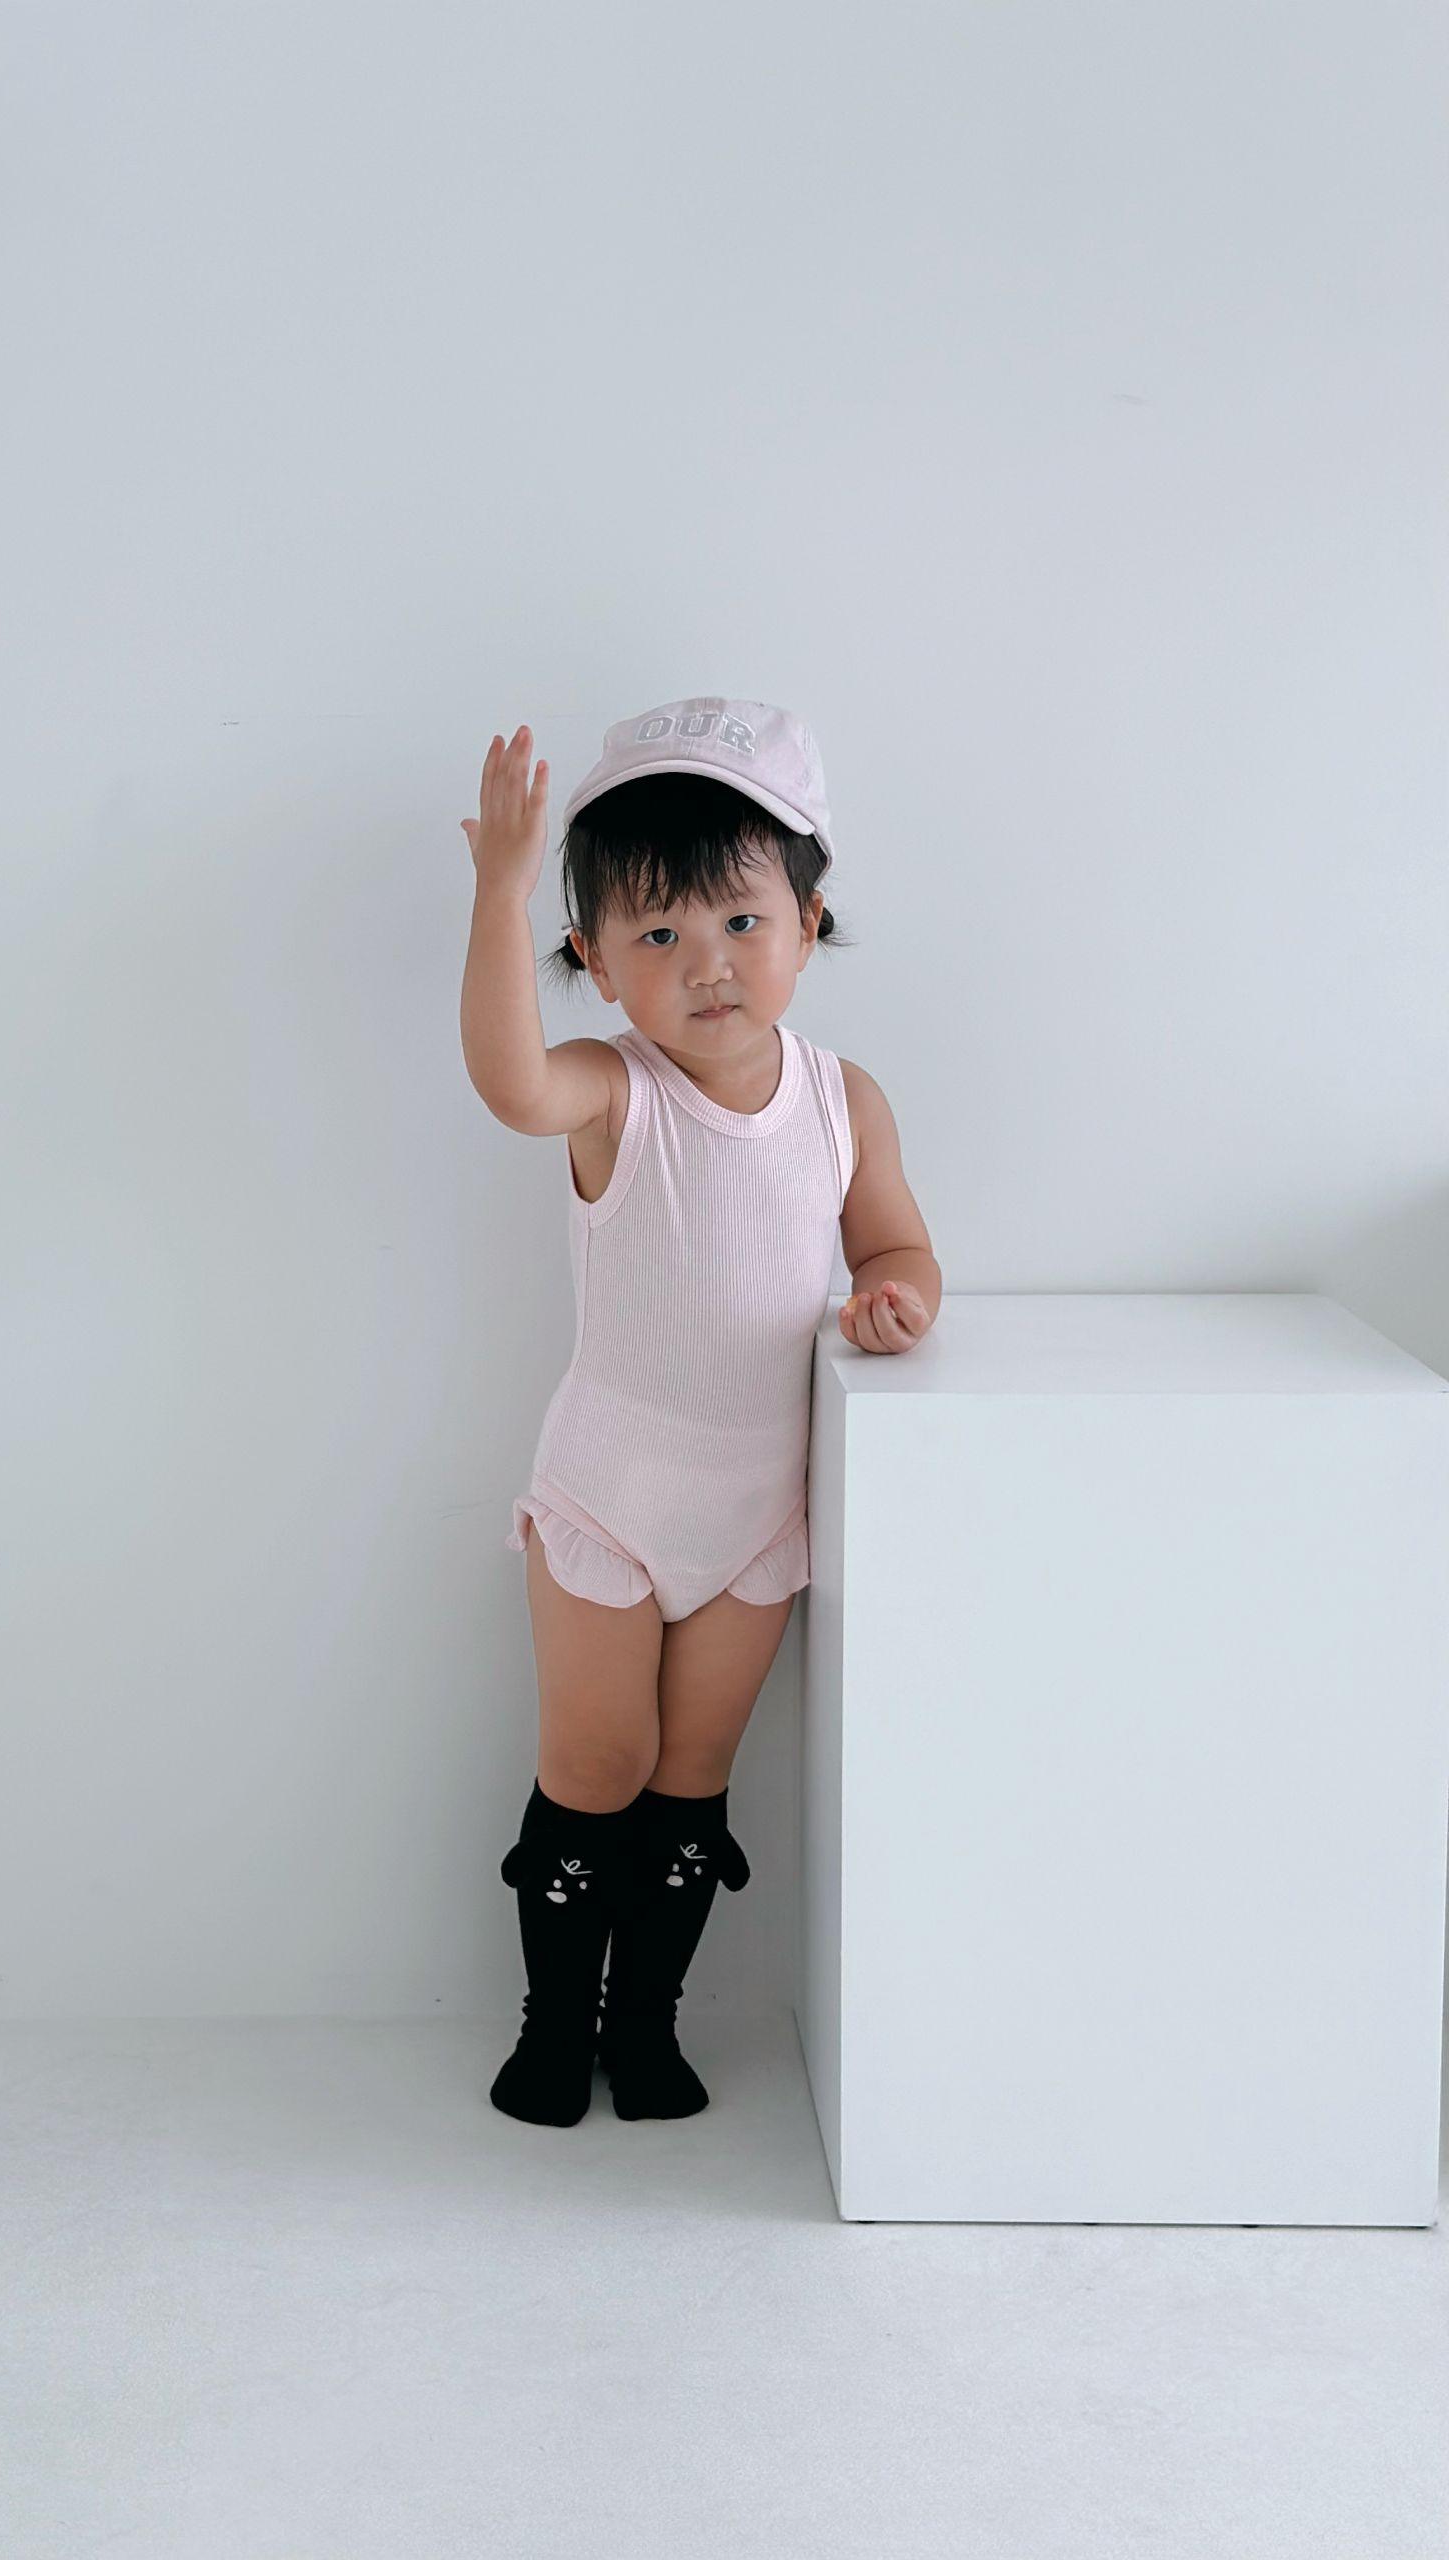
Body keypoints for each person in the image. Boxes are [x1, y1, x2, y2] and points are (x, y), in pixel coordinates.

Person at [459, 695, 942, 2128]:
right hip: (611, 1498)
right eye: (658, 935)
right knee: (597, 1764)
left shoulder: (844, 1100)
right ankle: (556, 2025)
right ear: (593, 960)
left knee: (689, 1774)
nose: (707, 963)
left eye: (739, 920)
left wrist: (896, 1300)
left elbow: (895, 1244)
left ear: (807, 921)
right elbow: (509, 1084)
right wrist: (498, 888)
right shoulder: (614, 1092)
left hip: (753, 1517)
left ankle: (649, 2025)